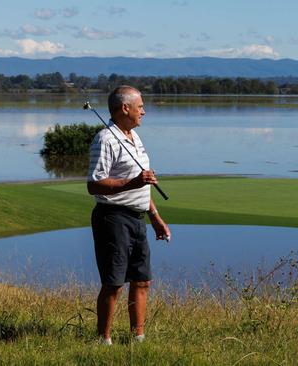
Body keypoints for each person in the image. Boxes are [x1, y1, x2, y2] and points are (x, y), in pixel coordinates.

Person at [87, 85, 170, 346]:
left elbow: (143, 185)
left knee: (142, 280)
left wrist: (155, 216)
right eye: (140, 107)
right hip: (113, 218)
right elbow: (94, 184)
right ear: (125, 108)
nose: (144, 111)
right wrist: (132, 183)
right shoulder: (105, 139)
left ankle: (138, 337)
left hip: (137, 218)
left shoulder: (135, 137)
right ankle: (104, 340)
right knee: (114, 283)